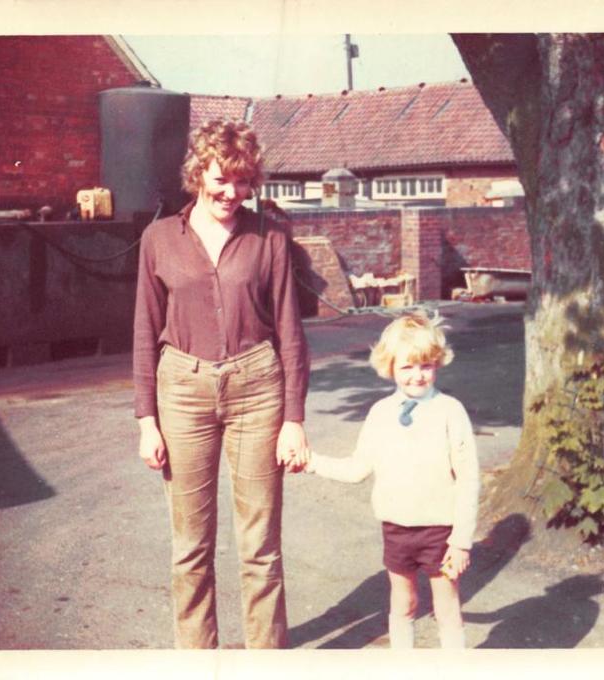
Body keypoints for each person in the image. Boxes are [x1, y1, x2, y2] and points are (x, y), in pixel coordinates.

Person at [132, 119, 310, 649]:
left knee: (260, 547)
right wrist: (147, 419)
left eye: (243, 181)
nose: (232, 193)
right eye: (221, 180)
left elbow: (290, 332)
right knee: (190, 546)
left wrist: (294, 420)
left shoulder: (270, 237)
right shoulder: (159, 238)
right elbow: (144, 329)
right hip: (182, 391)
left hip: (257, 387)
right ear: (198, 174)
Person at [302, 312, 479, 648]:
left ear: (437, 364)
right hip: (397, 530)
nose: (417, 375)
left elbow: (469, 480)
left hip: (440, 530)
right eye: (407, 367)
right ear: (390, 367)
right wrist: (312, 463)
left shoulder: (450, 411)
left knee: (446, 608)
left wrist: (461, 541)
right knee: (404, 604)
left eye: (425, 365)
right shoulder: (381, 413)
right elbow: (357, 469)